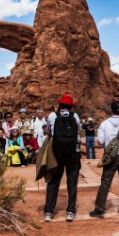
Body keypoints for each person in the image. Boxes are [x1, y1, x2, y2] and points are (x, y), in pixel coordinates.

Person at [90, 101, 119, 219]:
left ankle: (100, 209)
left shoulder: (104, 124)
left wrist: (110, 145)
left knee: (105, 182)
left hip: (111, 157)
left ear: (111, 110)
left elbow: (100, 141)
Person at [43, 94, 82, 223]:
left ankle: (48, 211)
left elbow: (48, 132)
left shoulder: (53, 116)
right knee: (72, 182)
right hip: (73, 154)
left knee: (53, 182)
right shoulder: (75, 116)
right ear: (71, 107)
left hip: (57, 153)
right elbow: (78, 130)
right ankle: (70, 211)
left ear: (59, 105)